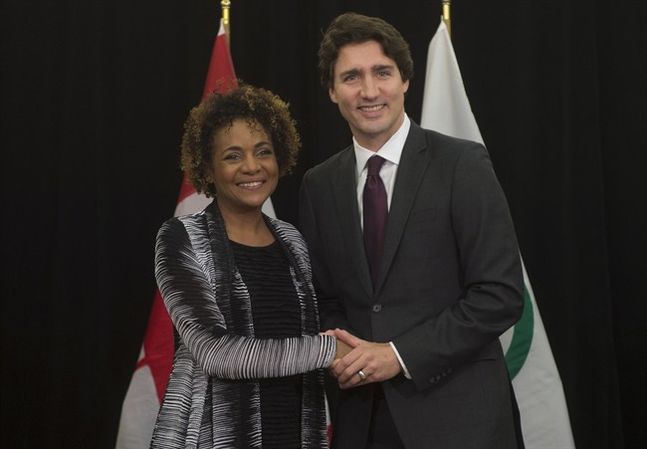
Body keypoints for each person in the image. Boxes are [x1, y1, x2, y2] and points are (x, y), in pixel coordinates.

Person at [299, 12, 525, 449]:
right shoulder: (319, 184)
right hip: (362, 421)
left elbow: (500, 295)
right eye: (351, 77)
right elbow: (325, 297)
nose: (368, 91)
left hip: (461, 423)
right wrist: (343, 349)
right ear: (331, 90)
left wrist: (398, 356)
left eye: (382, 72)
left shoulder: (463, 165)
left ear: (405, 79)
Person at [150, 84, 350, 449]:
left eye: (263, 152)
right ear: (207, 167)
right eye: (232, 156)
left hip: (294, 433)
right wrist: (328, 350)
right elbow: (216, 352)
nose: (252, 167)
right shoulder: (181, 238)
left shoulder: (293, 241)